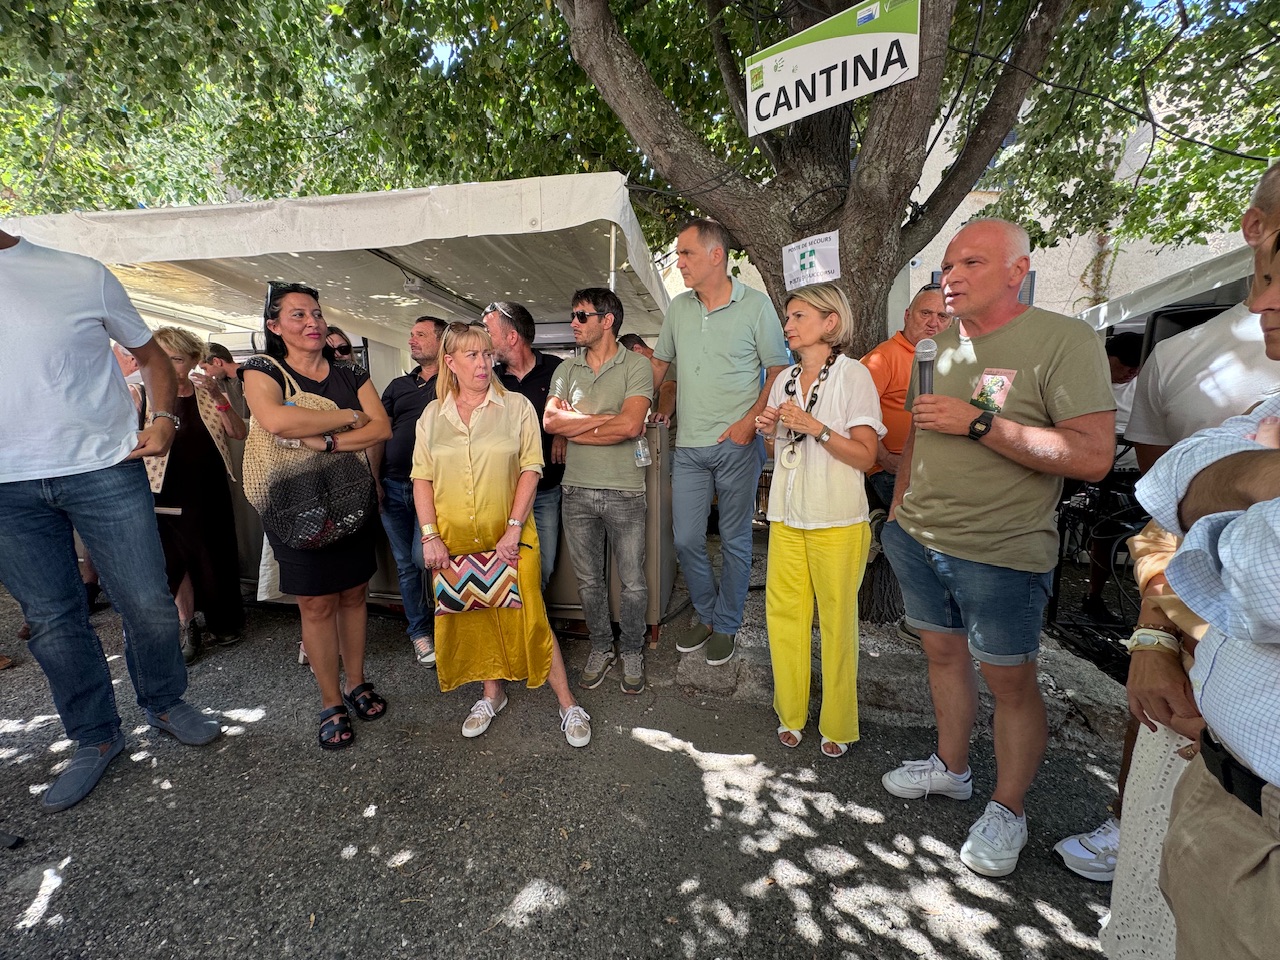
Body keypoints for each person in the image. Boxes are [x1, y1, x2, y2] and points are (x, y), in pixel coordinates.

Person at [879, 218, 1115, 877]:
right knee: (942, 658)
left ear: (1018, 271)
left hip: (1001, 551)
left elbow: (1092, 457)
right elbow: (922, 436)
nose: (951, 278)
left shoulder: (1061, 339)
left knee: (1010, 683)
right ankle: (952, 768)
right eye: (946, 267)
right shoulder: (938, 346)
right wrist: (899, 514)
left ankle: (1007, 809)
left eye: (971, 264)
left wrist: (981, 422)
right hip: (920, 539)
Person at [0, 227, 222, 813]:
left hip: (103, 465)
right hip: (6, 485)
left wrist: (166, 419)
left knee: (148, 601)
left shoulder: (78, 273)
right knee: (51, 621)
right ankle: (94, 737)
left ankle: (165, 701)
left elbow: (152, 358)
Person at [1130, 234, 1280, 960]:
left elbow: (1262, 588)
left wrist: (1207, 513)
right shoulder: (1272, 401)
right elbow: (1161, 499)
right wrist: (1154, 633)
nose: (1259, 302)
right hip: (1216, 777)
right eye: (1261, 275)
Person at [412, 323, 592, 747]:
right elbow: (422, 477)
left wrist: (513, 528)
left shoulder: (516, 407)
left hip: (511, 537)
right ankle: (491, 695)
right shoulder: (432, 415)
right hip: (453, 539)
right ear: (450, 363)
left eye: (485, 353)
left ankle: (568, 704)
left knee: (530, 614)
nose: (482, 363)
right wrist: (429, 535)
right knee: (474, 614)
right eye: (470, 356)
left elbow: (532, 467)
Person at [242, 282, 392, 751]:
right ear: (274, 326)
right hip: (294, 505)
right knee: (316, 603)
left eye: (317, 314)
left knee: (353, 595)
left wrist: (325, 439)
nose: (312, 323)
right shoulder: (262, 369)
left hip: (349, 500)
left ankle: (357, 680)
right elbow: (278, 422)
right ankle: (331, 700)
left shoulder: (351, 369)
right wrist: (348, 418)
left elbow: (382, 427)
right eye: (298, 315)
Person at [649, 218, 790, 666]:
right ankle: (708, 613)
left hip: (736, 443)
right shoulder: (678, 308)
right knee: (687, 538)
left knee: (733, 540)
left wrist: (750, 422)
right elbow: (659, 367)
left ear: (716, 255)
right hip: (687, 445)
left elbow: (777, 372)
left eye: (686, 253)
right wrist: (634, 407)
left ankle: (725, 623)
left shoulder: (757, 306)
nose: (679, 262)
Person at [753, 283, 883, 758]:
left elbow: (867, 455)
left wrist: (817, 428)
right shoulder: (784, 377)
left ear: (831, 322)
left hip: (838, 520)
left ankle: (838, 722)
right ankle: (790, 713)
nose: (788, 326)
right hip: (787, 515)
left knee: (837, 622)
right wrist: (770, 431)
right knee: (783, 618)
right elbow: (775, 449)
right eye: (787, 318)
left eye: (797, 316)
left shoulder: (854, 376)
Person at [545, 288, 653, 693]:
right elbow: (552, 422)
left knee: (633, 582)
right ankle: (601, 647)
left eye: (581, 315)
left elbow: (630, 427)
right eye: (573, 314)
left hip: (626, 490)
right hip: (576, 491)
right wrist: (603, 421)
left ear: (607, 320)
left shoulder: (636, 366)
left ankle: (631, 651)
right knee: (589, 582)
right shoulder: (566, 369)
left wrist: (581, 424)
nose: (573, 322)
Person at [147, 326, 247, 663]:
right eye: (160, 358)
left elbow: (238, 431)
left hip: (209, 488)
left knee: (214, 555)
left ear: (193, 360)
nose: (166, 366)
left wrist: (220, 400)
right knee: (177, 560)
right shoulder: (143, 395)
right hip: (164, 491)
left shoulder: (206, 392)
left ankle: (222, 620)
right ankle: (186, 624)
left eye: (174, 359)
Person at [367, 315, 447, 666]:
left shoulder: (454, 383)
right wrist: (374, 479)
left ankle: (448, 628)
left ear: (442, 342)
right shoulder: (398, 386)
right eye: (410, 334)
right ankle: (419, 632)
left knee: (427, 558)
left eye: (420, 335)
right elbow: (378, 433)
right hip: (393, 484)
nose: (412, 340)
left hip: (434, 489)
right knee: (406, 564)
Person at [482, 301, 567, 587]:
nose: (484, 339)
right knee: (505, 566)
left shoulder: (558, 369)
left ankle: (535, 627)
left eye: (488, 331)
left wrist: (562, 433)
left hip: (545, 490)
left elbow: (576, 411)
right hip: (502, 493)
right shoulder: (490, 379)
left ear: (512, 337)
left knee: (542, 567)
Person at [859, 283, 951, 509]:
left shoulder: (950, 357)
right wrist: (884, 458)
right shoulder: (883, 358)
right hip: (893, 468)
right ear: (907, 316)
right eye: (925, 313)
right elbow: (855, 413)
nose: (933, 323)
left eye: (942, 316)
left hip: (935, 467)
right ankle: (879, 526)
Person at [618, 332, 677, 426]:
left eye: (628, 360)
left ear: (637, 349)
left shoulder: (663, 365)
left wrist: (661, 416)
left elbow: (669, 389)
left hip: (672, 434)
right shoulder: (648, 370)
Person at [203, 342, 247, 417]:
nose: (207, 374)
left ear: (217, 362)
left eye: (205, 368)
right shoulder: (221, 381)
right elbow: (227, 409)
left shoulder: (250, 374)